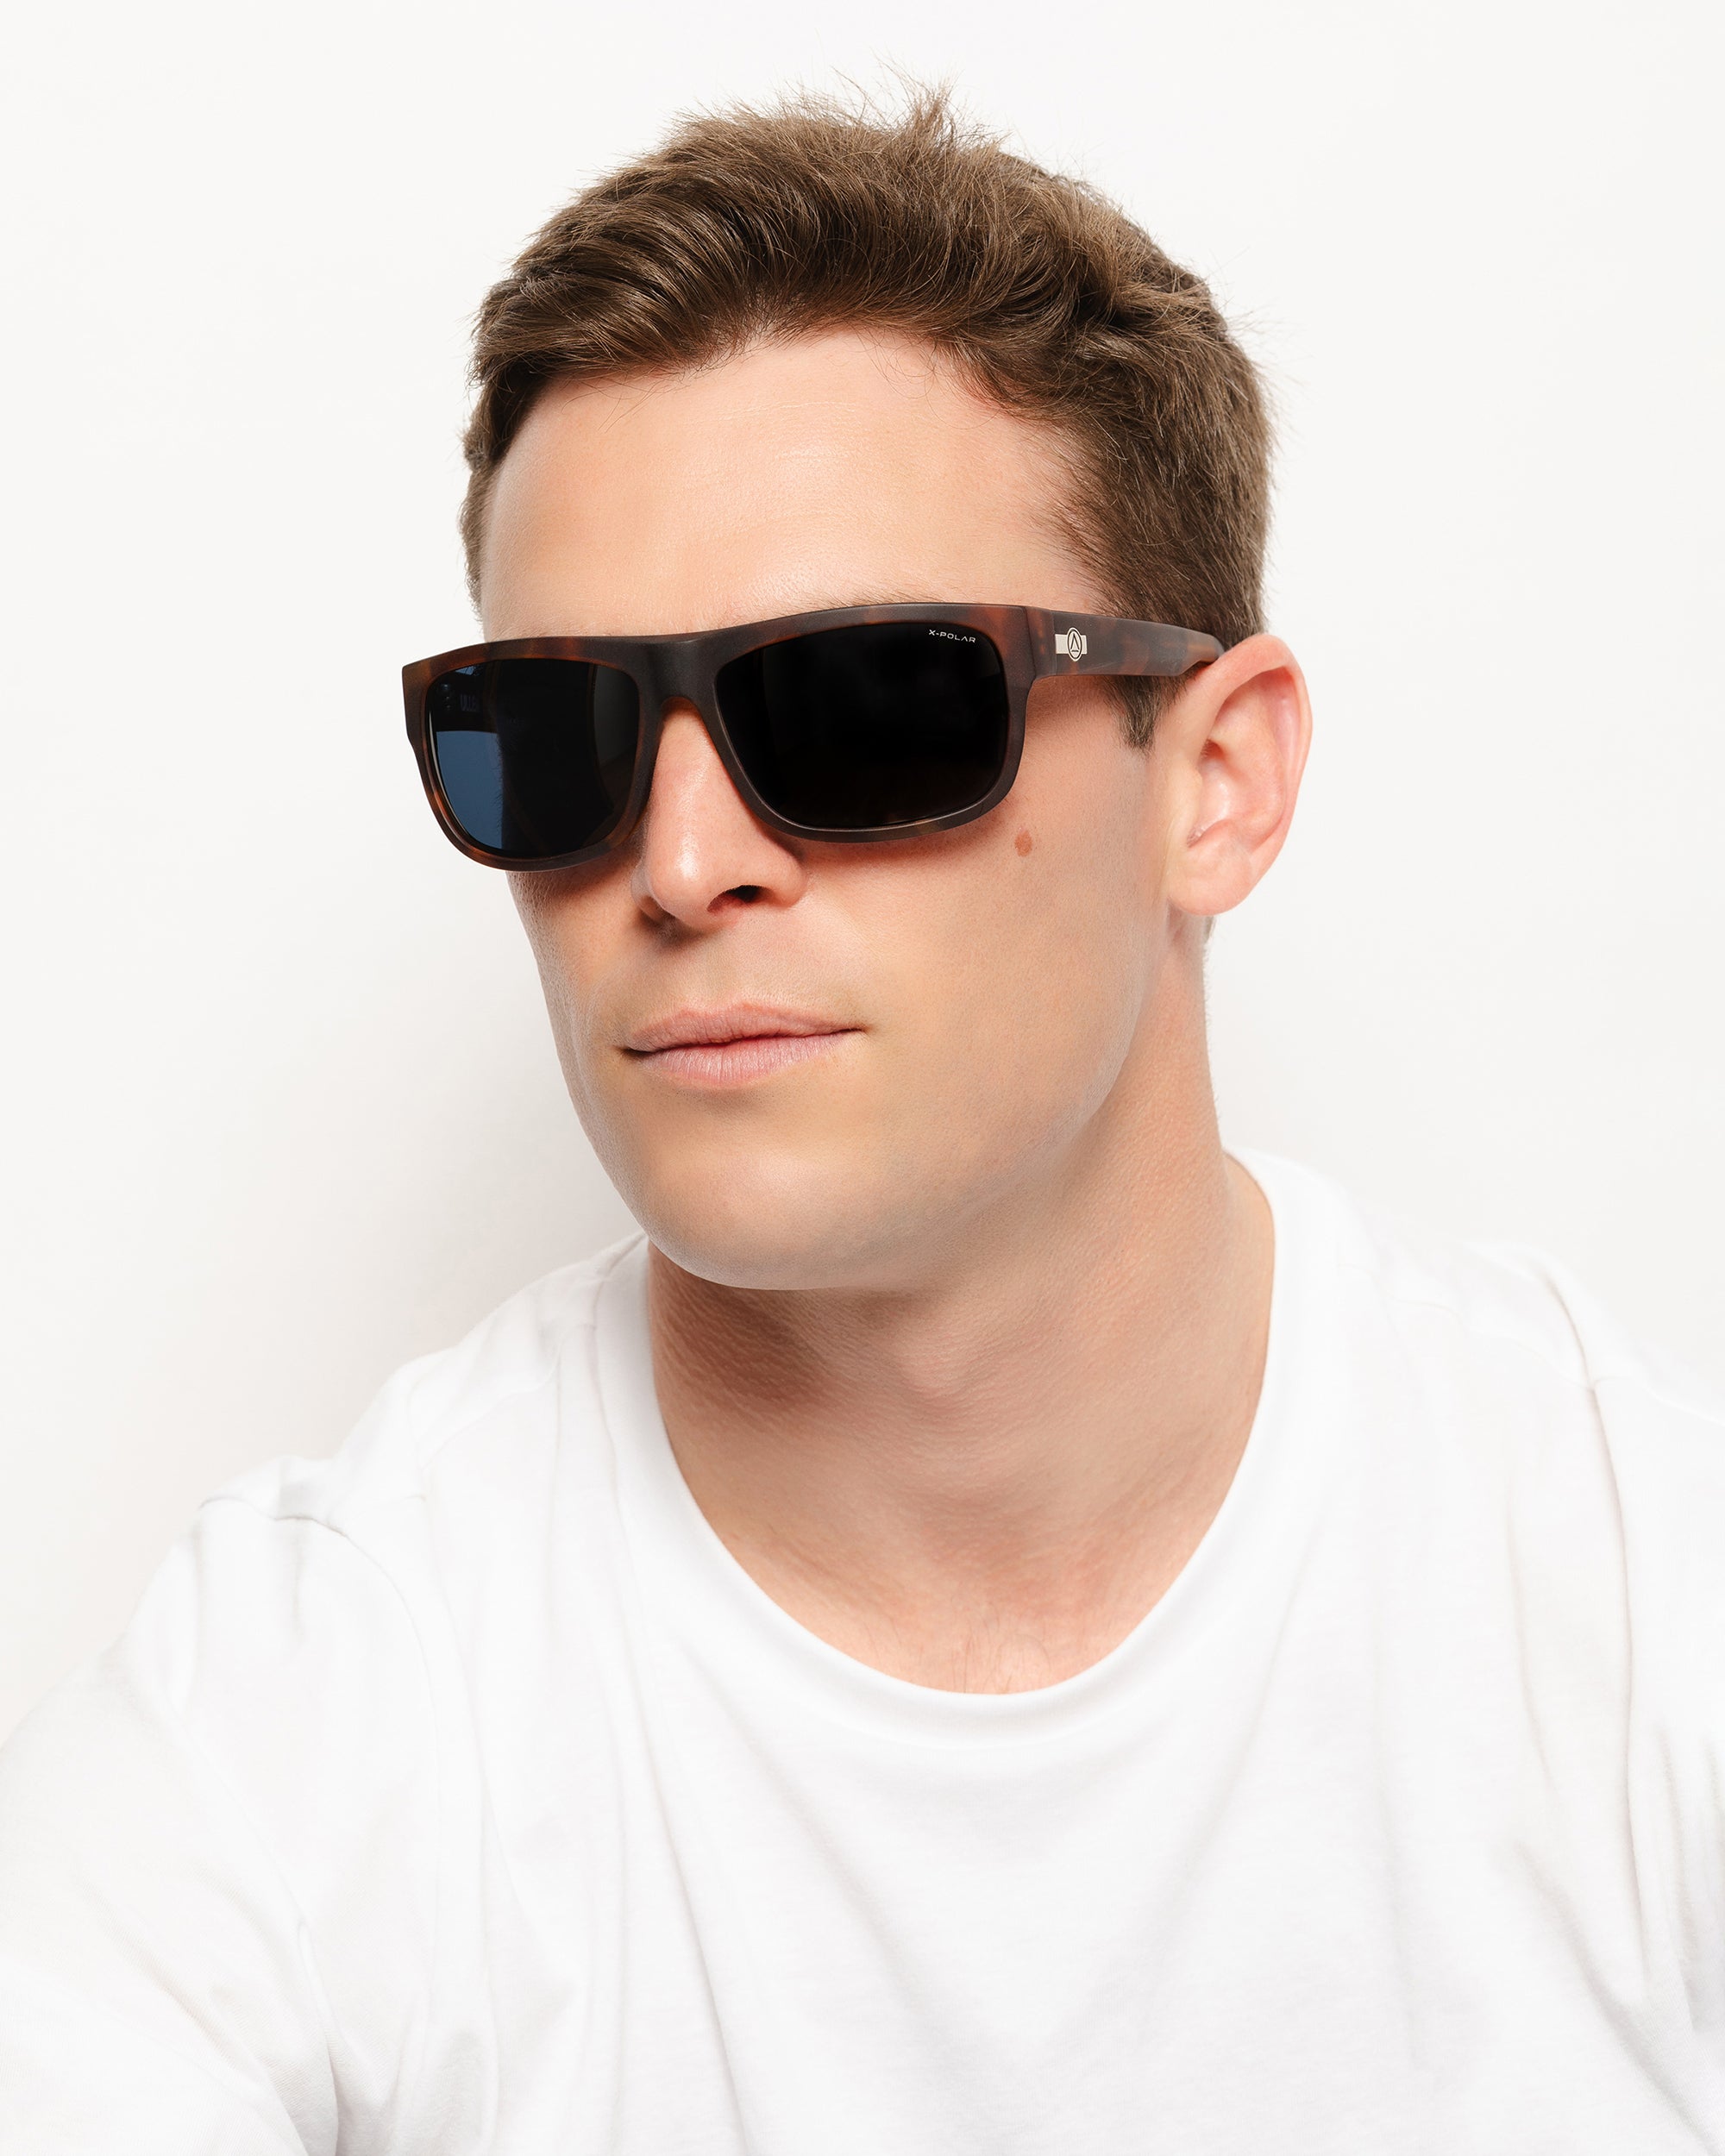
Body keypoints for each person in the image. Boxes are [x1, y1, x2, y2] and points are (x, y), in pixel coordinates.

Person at [2, 84, 1721, 2156]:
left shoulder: (1637, 1594)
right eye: (555, 730)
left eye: (865, 705)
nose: (681, 861)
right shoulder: (300, 1717)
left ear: (1216, 781)